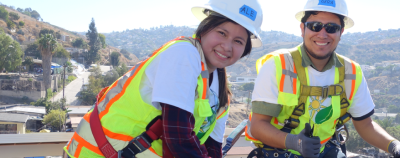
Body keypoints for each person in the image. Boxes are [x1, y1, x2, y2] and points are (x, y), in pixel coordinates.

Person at [63, 0, 263, 158]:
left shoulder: (221, 94)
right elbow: (178, 135)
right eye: (222, 33)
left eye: (238, 41)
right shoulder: (184, 54)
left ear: (244, 50)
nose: (227, 46)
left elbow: (212, 146)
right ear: (204, 29)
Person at [245, 0, 400, 158]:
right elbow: (258, 125)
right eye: (315, 26)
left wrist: (394, 145)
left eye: (332, 28)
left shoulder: (351, 72)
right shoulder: (278, 65)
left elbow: (366, 125)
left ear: (341, 32)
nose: (322, 34)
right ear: (302, 28)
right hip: (280, 151)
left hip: (326, 150)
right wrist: (294, 142)